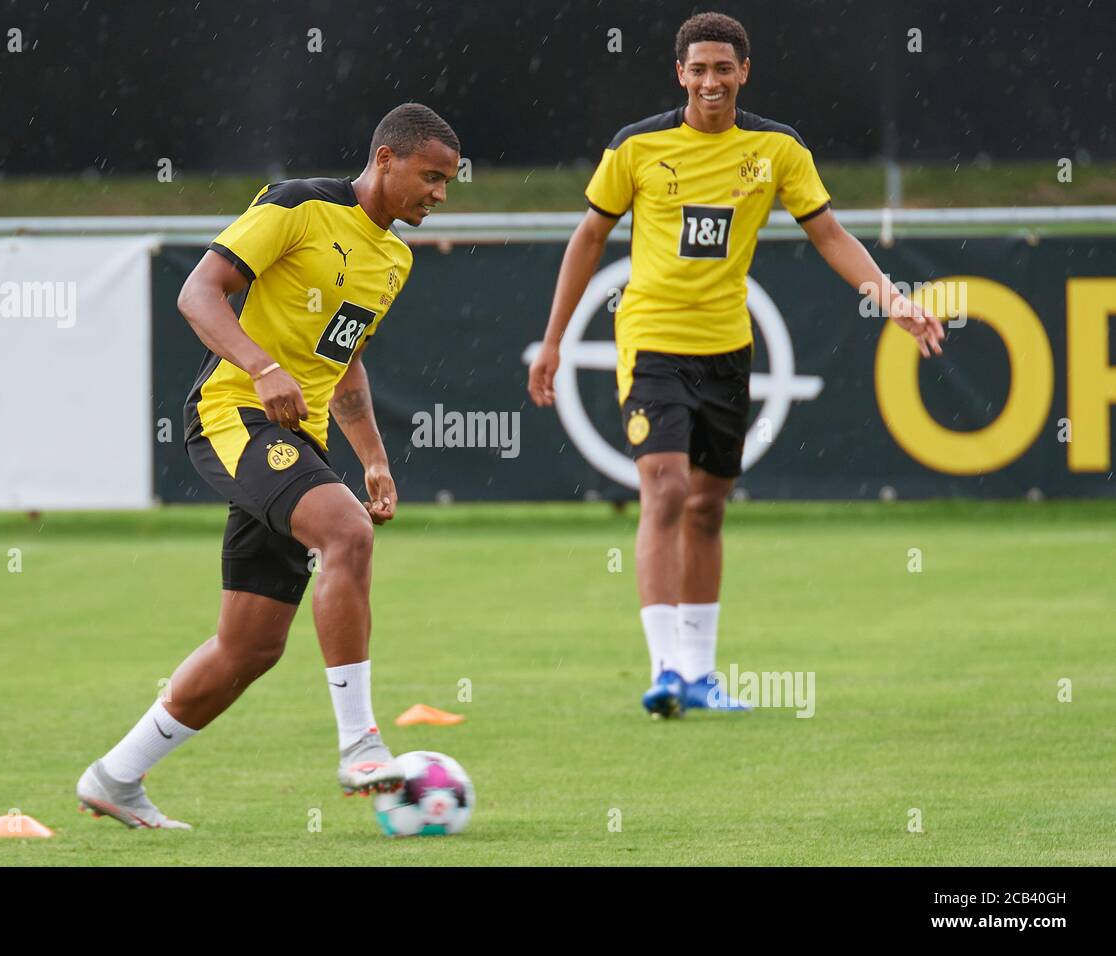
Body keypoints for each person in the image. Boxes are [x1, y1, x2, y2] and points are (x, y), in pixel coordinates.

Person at [527, 12, 945, 718]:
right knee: (663, 490)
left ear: (744, 71)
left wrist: (894, 301)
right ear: (679, 73)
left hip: (728, 349)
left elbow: (830, 234)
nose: (711, 81)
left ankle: (700, 673)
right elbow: (588, 237)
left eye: (724, 68)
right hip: (652, 340)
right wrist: (555, 337)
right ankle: (663, 672)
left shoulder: (778, 149)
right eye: (699, 69)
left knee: (709, 507)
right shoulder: (636, 148)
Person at [77, 103, 461, 827]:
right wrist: (258, 366)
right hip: (232, 413)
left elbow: (342, 366)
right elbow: (199, 291)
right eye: (432, 177)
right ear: (386, 159)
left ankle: (115, 777)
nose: (440, 194)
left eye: (448, 182)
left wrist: (374, 460)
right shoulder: (299, 205)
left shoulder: (395, 260)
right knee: (347, 535)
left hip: (297, 437)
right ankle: (360, 745)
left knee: (250, 645)